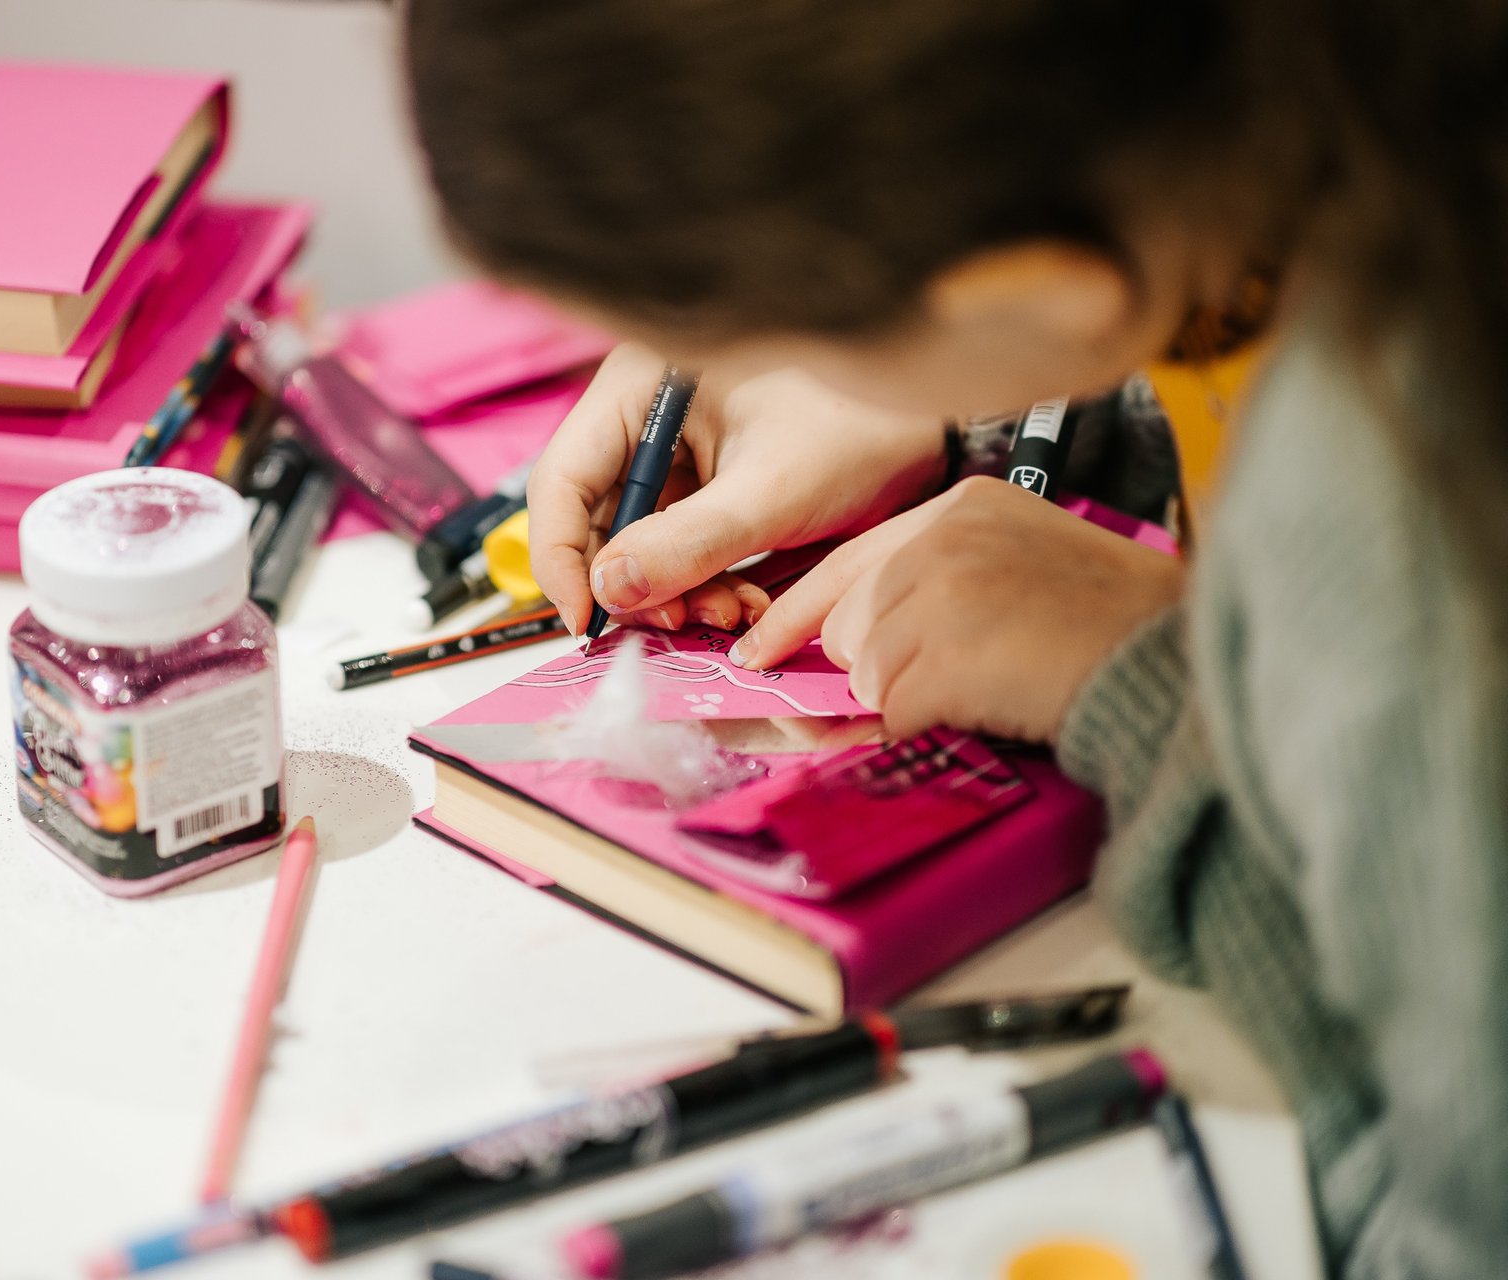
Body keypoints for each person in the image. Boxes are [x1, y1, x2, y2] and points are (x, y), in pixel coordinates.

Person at [401, 1, 1508, 1275]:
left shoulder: (1397, 505)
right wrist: (941, 419)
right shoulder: (1316, 114)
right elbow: (1211, 324)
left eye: (783, 341)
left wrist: (1160, 690)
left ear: (1034, 286)